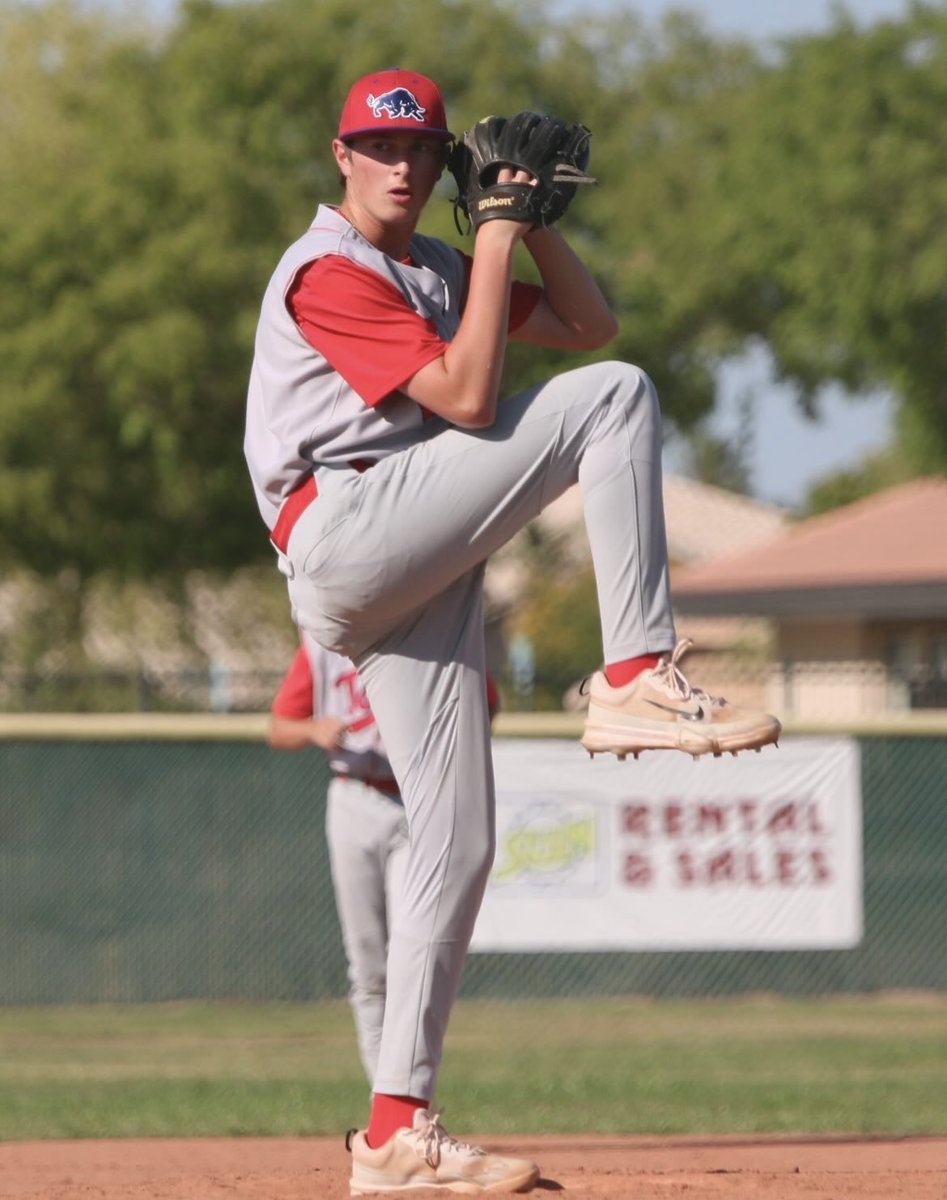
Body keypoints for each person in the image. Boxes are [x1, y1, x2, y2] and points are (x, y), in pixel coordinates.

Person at [245, 67, 780, 1195]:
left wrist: (526, 227)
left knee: (462, 841)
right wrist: (489, 238)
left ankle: (396, 1133)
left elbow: (589, 323)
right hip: (343, 528)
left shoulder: (438, 261)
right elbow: (473, 399)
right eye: (377, 147)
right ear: (339, 156)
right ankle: (634, 669)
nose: (400, 165)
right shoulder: (325, 269)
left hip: (416, 559)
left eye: (421, 150)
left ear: (442, 163)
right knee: (616, 398)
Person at [267, 631, 500, 1090]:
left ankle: (408, 1095)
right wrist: (314, 728)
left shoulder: (430, 633)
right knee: (369, 967)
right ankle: (387, 1102)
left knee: (410, 952)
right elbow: (279, 726)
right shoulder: (324, 647)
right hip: (354, 798)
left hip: (417, 801)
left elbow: (486, 701)